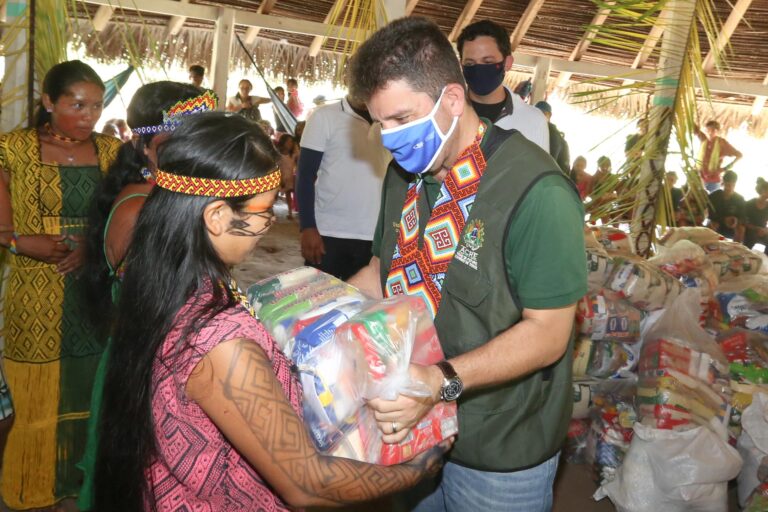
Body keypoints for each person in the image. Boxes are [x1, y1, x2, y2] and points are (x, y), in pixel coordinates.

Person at [94, 112, 450, 511]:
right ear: (216, 216)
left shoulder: (162, 284)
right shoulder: (221, 340)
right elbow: (309, 486)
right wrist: (419, 469)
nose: (267, 225)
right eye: (264, 211)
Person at [348, 17, 587, 512]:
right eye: (380, 123)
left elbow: (547, 333)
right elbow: (382, 270)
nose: (389, 138)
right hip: (412, 428)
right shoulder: (406, 175)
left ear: (452, 101)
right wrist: (318, 314)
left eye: (401, 119)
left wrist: (440, 382)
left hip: (498, 443)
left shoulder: (537, 192)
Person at [77, 82, 216, 511]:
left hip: (163, 362)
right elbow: (160, 307)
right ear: (145, 145)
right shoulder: (139, 207)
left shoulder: (170, 199)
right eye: (180, 139)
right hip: (144, 368)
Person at [0, 60, 121, 510]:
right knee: (34, 387)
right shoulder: (9, 149)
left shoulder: (112, 152)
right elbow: (1, 228)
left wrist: (94, 248)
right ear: (49, 102)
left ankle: (80, 482)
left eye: (96, 105)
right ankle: (30, 486)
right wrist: (17, 241)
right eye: (77, 105)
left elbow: (126, 215)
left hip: (92, 289)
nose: (89, 115)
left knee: (90, 382)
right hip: (36, 291)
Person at [296, 94, 389, 280]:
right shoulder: (324, 117)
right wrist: (307, 227)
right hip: (329, 234)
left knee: (367, 305)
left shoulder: (391, 121)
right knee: (321, 301)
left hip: (377, 236)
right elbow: (305, 175)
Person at [456, 19, 550, 152]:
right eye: (470, 63)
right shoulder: (447, 113)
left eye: (488, 62)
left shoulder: (533, 120)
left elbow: (539, 171)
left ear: (507, 63)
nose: (478, 70)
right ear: (461, 65)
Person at [695, 120, 742, 192]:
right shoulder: (704, 139)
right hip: (700, 178)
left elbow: (739, 155)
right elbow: (695, 129)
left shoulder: (722, 143)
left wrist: (725, 169)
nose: (710, 132)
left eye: (713, 130)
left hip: (713, 181)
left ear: (717, 131)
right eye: (708, 130)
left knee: (712, 201)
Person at [707, 170, 746, 241]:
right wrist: (723, 220)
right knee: (713, 224)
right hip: (717, 222)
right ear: (723, 183)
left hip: (732, 225)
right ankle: (710, 246)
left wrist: (736, 221)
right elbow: (709, 214)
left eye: (732, 185)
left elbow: (742, 216)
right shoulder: (714, 196)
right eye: (728, 185)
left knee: (741, 229)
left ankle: (735, 248)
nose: (730, 188)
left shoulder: (740, 199)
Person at [535, 100, 570, 173]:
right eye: (536, 113)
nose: (539, 116)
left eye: (543, 113)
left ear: (549, 115)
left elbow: (549, 163)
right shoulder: (540, 130)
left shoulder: (553, 135)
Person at [276, 133, 298, 220]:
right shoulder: (279, 154)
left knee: (289, 194)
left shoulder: (293, 154)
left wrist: (296, 146)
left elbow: (299, 156)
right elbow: (276, 166)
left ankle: (290, 212)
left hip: (290, 177)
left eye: (291, 142)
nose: (290, 144)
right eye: (288, 142)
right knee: (275, 195)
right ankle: (271, 211)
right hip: (280, 177)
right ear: (283, 142)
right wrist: (279, 178)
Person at [744, 178, 768, 254]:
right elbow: (743, 221)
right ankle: (745, 257)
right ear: (761, 191)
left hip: (762, 231)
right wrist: (756, 228)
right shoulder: (749, 204)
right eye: (766, 191)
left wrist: (766, 230)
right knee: (751, 237)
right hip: (750, 230)